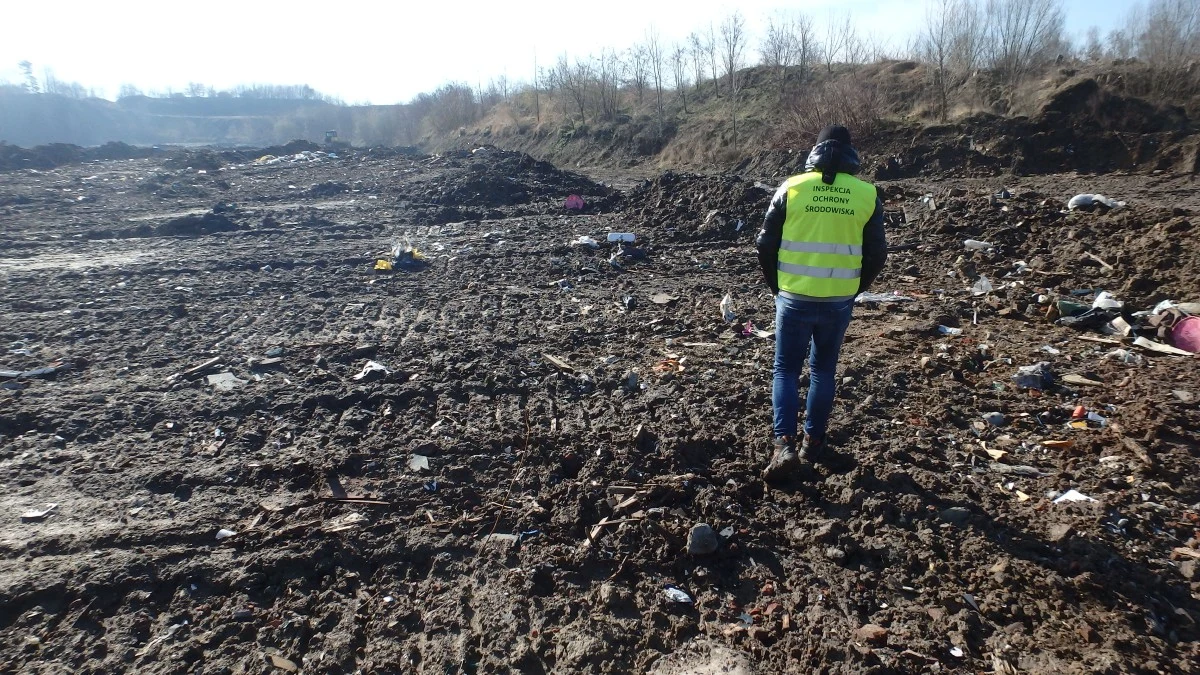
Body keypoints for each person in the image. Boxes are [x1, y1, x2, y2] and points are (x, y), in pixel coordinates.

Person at [756, 125, 887, 481]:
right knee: (824, 371)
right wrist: (855, 288)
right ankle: (813, 443)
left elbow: (764, 244)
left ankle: (783, 444)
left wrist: (777, 287)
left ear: (814, 152)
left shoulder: (791, 188)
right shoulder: (866, 194)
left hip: (794, 297)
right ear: (850, 154)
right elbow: (878, 253)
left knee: (785, 369)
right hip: (837, 301)